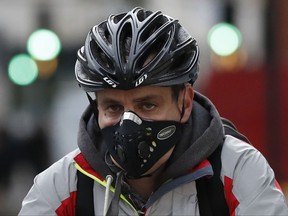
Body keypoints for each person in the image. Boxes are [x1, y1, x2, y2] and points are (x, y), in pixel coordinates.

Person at [19, 7, 288, 216]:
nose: (128, 123)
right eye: (113, 107)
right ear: (95, 108)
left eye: (148, 105)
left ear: (184, 102)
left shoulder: (237, 171)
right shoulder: (61, 185)